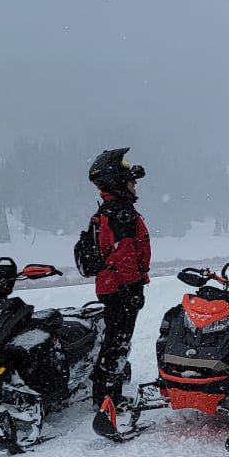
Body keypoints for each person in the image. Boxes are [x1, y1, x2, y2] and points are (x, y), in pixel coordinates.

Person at [85, 148, 152, 407]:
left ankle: (107, 388)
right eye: (131, 181)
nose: (135, 186)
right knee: (118, 341)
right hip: (121, 285)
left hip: (112, 284)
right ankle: (107, 397)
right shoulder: (121, 213)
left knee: (115, 338)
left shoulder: (109, 210)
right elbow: (124, 252)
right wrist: (134, 285)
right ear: (118, 182)